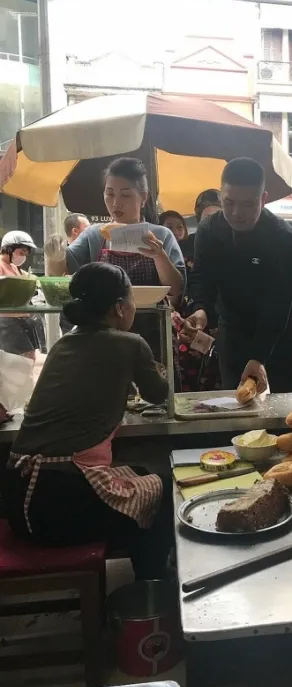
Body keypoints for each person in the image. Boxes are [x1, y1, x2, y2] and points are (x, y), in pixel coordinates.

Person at [0, 263, 172, 580]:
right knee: (164, 489)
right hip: (62, 509)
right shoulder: (130, 343)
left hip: (17, 499)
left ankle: (146, 589)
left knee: (143, 474)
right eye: (131, 299)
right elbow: (159, 393)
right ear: (120, 308)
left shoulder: (63, 345)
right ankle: (152, 587)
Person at [45, 157, 185, 359]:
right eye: (109, 194)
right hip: (103, 339)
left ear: (143, 198)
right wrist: (55, 256)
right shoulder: (94, 235)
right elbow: (62, 276)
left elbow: (175, 289)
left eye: (125, 195)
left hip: (153, 335)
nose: (116, 203)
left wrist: (159, 255)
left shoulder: (161, 235)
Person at [184, 158, 292, 393]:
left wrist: (259, 357)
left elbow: (279, 303)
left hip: (280, 330)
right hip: (233, 330)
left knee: (288, 409)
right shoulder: (208, 230)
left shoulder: (281, 236)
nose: (237, 213)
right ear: (220, 196)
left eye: (248, 204)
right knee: (235, 403)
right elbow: (201, 277)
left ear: (264, 199)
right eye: (229, 202)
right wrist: (201, 308)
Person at [159, 210, 220, 392]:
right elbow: (180, 291)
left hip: (216, 325)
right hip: (189, 321)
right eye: (169, 227)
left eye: (179, 227)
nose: (176, 231)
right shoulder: (187, 253)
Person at [0, 231, 41, 361]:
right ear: (9, 248)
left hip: (22, 319)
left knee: (29, 357)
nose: (23, 257)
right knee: (18, 362)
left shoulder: (14, 268)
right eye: (21, 252)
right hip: (8, 320)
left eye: (25, 254)